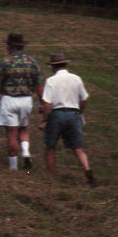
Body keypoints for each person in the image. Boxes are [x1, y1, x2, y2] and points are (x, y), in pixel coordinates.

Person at [0, 33, 43, 171]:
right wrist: (42, 102)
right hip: (26, 100)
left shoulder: (5, 62)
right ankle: (26, 153)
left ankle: (13, 167)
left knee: (11, 133)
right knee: (23, 129)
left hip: (10, 100)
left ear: (10, 46)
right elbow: (39, 85)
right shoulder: (32, 63)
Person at [38, 52, 94, 186]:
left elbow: (47, 103)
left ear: (53, 67)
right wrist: (79, 112)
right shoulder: (76, 79)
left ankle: (50, 178)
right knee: (78, 148)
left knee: (51, 146)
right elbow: (84, 99)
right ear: (65, 64)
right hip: (73, 114)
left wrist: (45, 120)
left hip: (57, 115)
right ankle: (87, 169)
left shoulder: (51, 81)